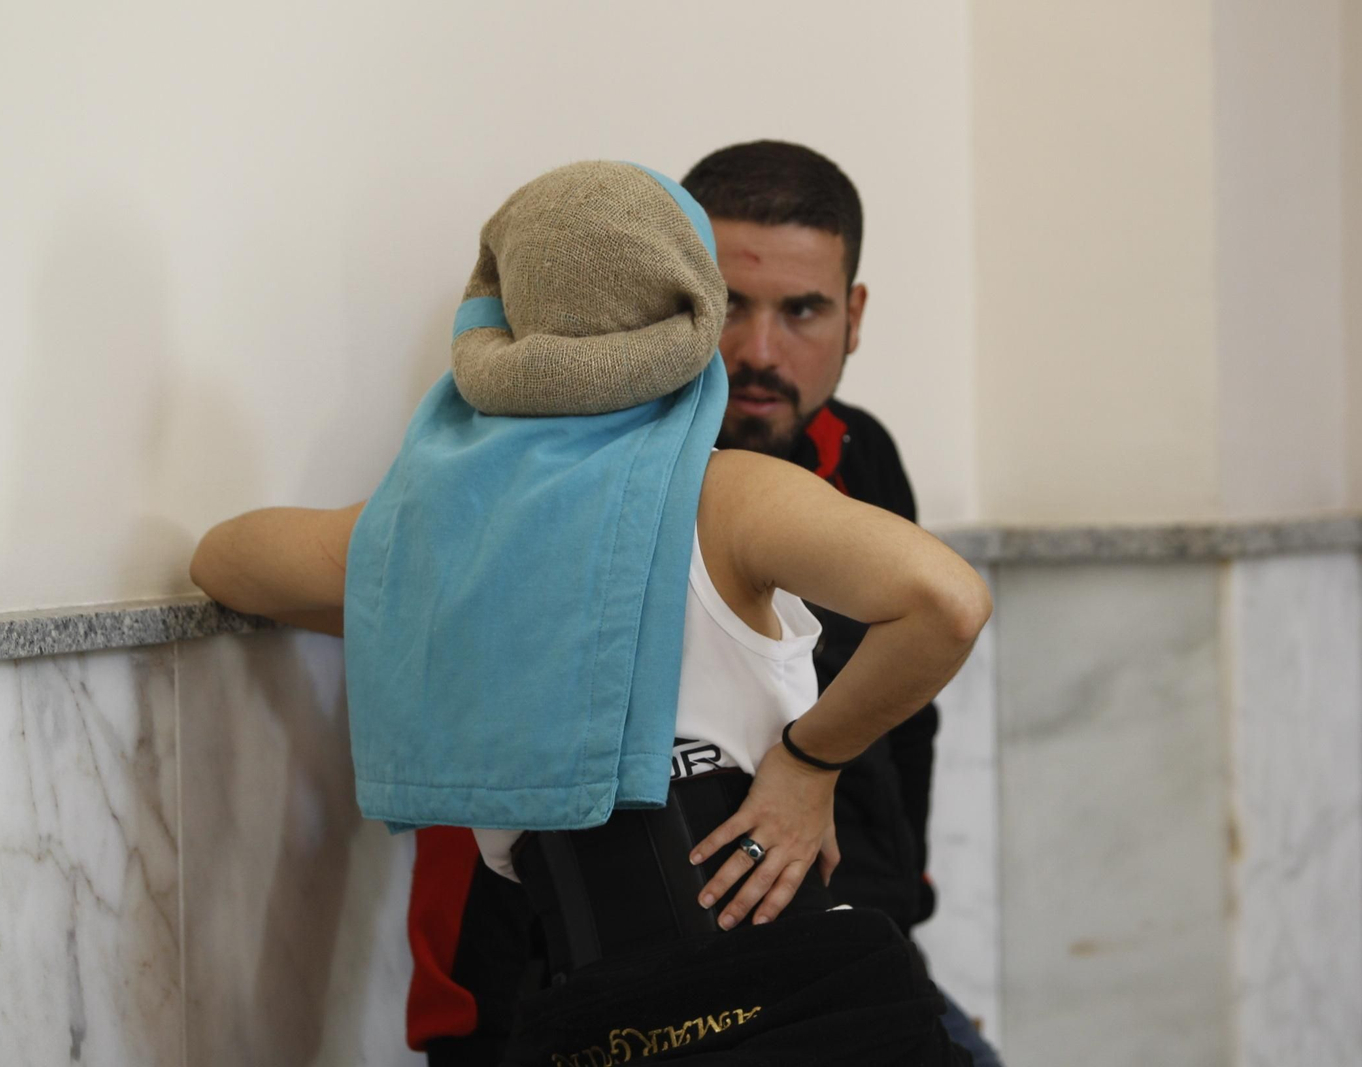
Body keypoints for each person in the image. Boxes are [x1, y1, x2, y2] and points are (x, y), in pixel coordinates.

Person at [190, 161, 991, 1064]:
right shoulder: (727, 495)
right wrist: (808, 763)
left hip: (613, 1018)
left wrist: (410, 579)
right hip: (798, 1001)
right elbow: (949, 601)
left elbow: (222, 556)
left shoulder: (439, 531)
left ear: (495, 323)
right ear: (691, 312)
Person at [682, 141, 1002, 1066]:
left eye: (803, 310)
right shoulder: (606, 476)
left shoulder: (863, 454)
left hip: (858, 940)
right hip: (680, 973)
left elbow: (906, 720)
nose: (759, 351)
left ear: (853, 315)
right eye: (729, 306)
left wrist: (903, 909)